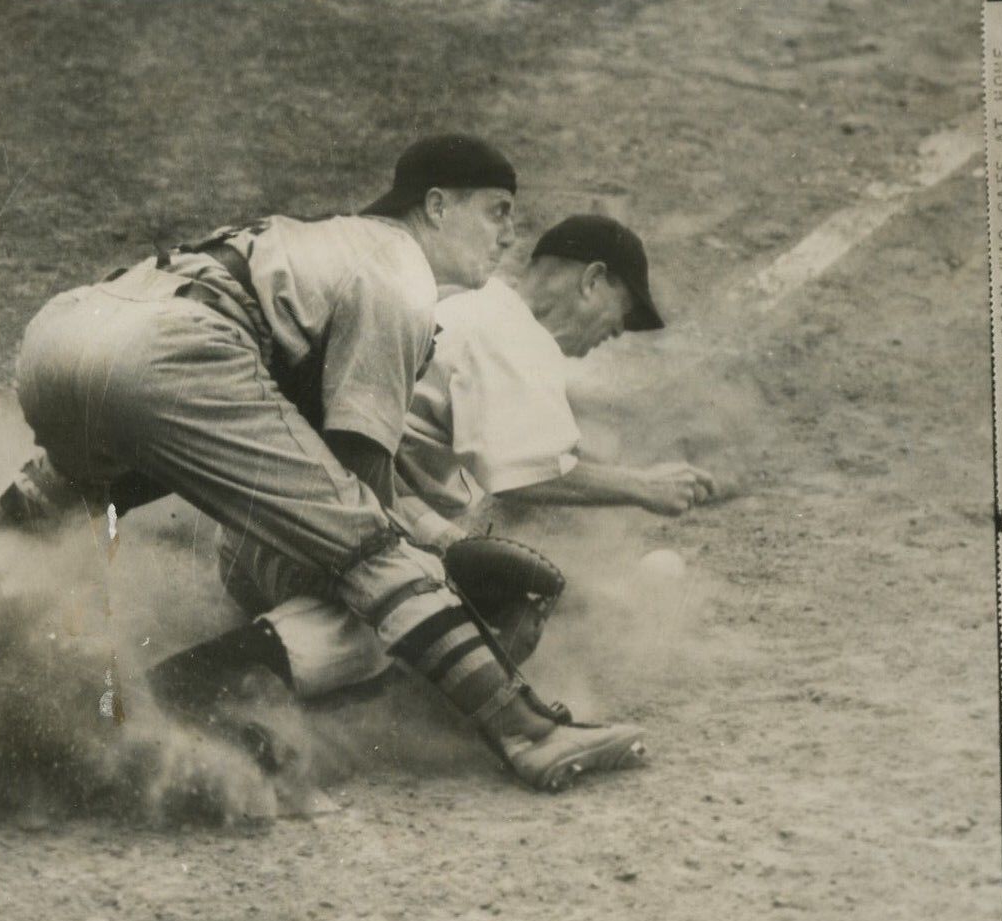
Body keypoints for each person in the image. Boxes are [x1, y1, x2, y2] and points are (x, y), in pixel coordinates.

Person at [0, 136, 648, 793]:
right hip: (175, 354)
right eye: (497, 210)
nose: (509, 234)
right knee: (376, 553)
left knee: (70, 491)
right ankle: (530, 732)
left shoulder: (315, 239)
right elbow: (358, 498)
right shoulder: (400, 272)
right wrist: (440, 561)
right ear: (437, 206)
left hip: (60, 338)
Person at [214, 214, 717, 704]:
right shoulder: (514, 339)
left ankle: (298, 675)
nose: (617, 332)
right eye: (623, 311)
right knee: (425, 608)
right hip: (308, 542)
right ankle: (199, 683)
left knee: (449, 570)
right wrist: (642, 487)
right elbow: (524, 478)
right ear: (593, 280)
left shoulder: (472, 302)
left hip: (260, 529)